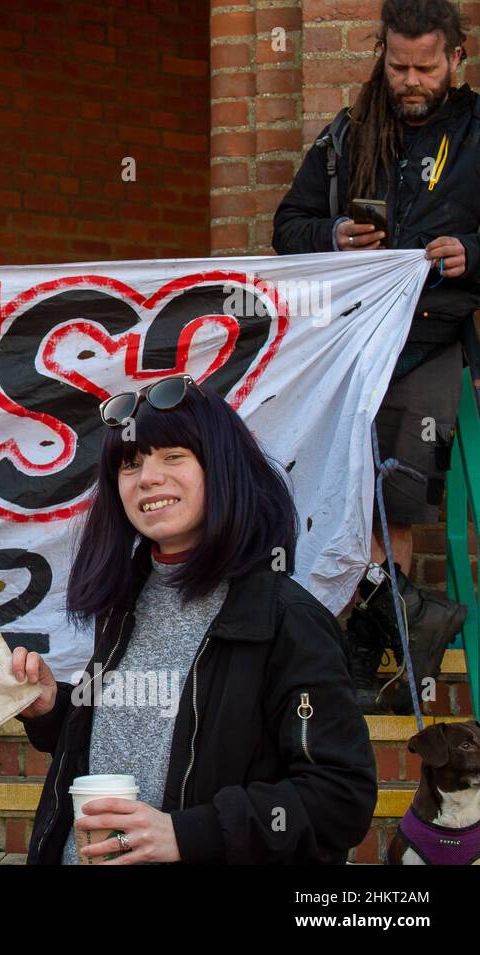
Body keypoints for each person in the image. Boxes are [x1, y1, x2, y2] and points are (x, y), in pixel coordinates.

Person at [12, 376, 378, 864]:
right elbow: (141, 739)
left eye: (173, 456)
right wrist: (54, 708)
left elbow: (340, 799)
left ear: (222, 469)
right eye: (130, 463)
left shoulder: (288, 621)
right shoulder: (124, 605)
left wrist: (190, 834)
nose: (147, 478)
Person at [272, 0, 474, 712]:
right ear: (381, 57)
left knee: (397, 497)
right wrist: (332, 235)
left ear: (457, 58)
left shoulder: (478, 134)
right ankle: (394, 628)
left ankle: (371, 651)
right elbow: (285, 228)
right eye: (398, 66)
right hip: (344, 347)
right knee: (333, 492)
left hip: (429, 343)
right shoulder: (349, 133)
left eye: (425, 67)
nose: (411, 81)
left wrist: (469, 254)